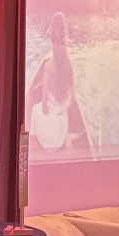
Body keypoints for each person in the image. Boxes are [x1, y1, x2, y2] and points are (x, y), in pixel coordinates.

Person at [24, 11, 88, 153]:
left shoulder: (47, 63)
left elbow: (45, 105)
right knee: (61, 111)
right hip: (61, 131)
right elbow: (72, 100)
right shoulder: (68, 64)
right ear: (66, 37)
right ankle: (70, 138)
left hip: (50, 140)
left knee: (34, 108)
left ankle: (30, 148)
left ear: (51, 35)